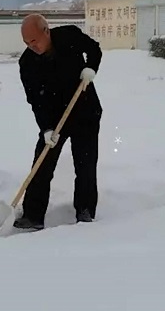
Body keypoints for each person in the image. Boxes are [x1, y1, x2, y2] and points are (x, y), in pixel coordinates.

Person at [14, 13, 103, 231]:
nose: (31, 46)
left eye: (34, 40)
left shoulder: (69, 36)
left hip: (84, 112)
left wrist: (90, 68)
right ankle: (33, 216)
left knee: (85, 165)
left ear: (46, 31)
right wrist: (46, 129)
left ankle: (85, 211)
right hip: (54, 120)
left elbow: (94, 49)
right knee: (41, 165)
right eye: (26, 43)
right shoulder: (27, 63)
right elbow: (35, 100)